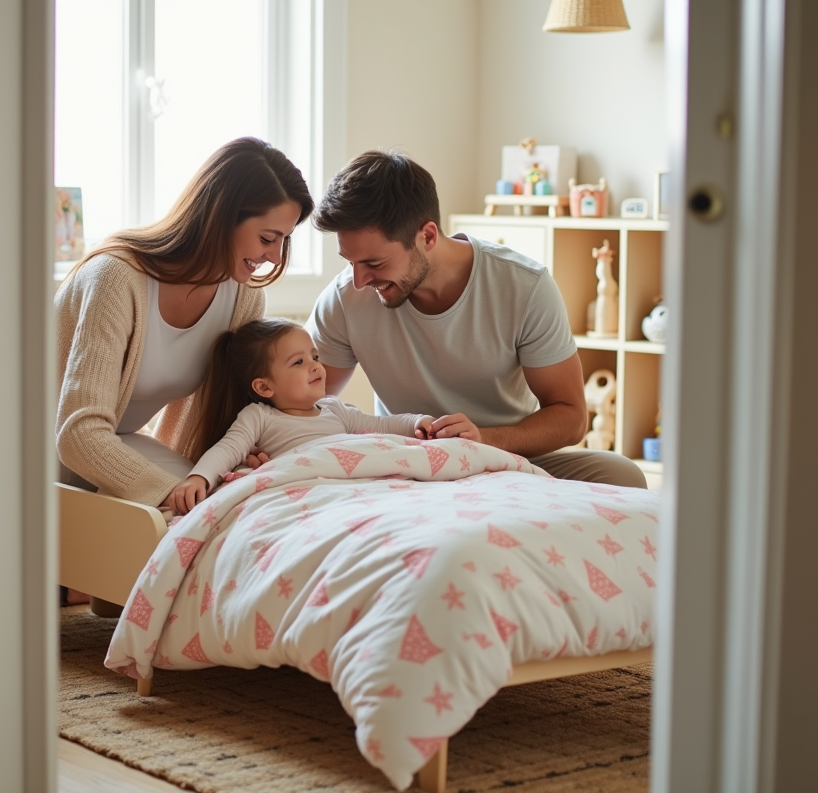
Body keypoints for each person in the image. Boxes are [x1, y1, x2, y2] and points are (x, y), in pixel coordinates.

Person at [305, 150, 647, 488]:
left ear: (427, 236)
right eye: (350, 262)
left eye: (374, 264)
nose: (360, 280)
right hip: (410, 460)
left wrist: (482, 439)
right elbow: (301, 401)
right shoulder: (344, 298)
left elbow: (571, 417)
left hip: (508, 454)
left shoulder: (524, 286)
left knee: (622, 474)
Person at [55, 137, 315, 509]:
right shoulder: (115, 278)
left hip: (116, 440)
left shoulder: (243, 299)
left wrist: (244, 456)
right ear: (221, 216)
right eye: (267, 239)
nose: (274, 257)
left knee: (238, 503)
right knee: (201, 512)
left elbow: (222, 421)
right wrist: (176, 493)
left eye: (282, 241)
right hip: (39, 448)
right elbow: (77, 435)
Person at [167, 318, 466, 515]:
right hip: (312, 489)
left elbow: (379, 425)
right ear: (264, 386)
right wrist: (198, 478)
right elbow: (228, 449)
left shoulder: (334, 409)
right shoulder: (259, 416)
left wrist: (416, 422)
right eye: (298, 362)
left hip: (358, 480)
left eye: (315, 356)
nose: (314, 366)